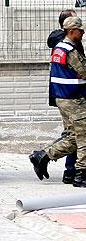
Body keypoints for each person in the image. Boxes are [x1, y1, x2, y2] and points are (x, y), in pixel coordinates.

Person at [30, 16, 86, 187]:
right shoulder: (70, 50)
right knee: (84, 137)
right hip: (74, 99)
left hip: (63, 98)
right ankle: (81, 174)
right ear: (71, 31)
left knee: (73, 137)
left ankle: (43, 156)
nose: (82, 33)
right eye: (80, 30)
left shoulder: (59, 48)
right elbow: (84, 72)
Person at [46, 9, 80, 183]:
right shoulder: (68, 44)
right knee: (76, 134)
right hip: (71, 96)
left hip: (63, 94)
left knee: (73, 132)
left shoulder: (60, 43)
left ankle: (69, 169)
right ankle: (45, 157)